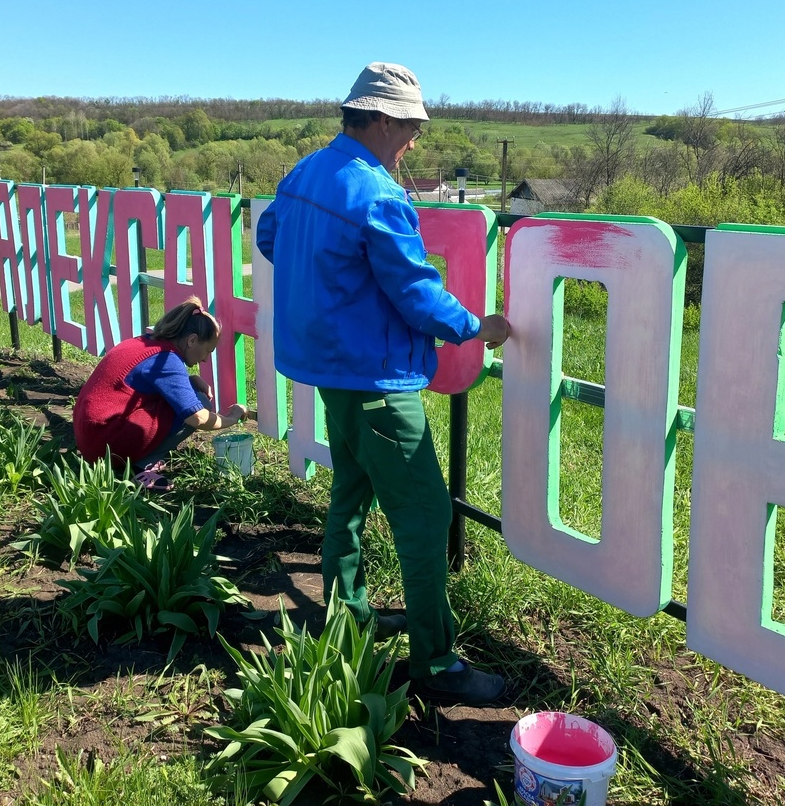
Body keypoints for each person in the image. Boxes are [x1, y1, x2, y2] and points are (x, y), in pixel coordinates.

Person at [255, 61, 512, 705]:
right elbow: (418, 295)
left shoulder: (304, 174)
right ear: (379, 118)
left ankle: (350, 618)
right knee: (425, 519)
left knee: (350, 492)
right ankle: (437, 662)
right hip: (378, 381)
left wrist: (323, 282)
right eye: (410, 125)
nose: (414, 140)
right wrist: (478, 327)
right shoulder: (378, 194)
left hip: (325, 372)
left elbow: (267, 238)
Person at [72, 296, 251, 490]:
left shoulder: (145, 343)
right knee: (200, 403)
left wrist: (189, 381)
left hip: (91, 434)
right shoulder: (166, 360)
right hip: (105, 444)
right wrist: (231, 418)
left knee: (191, 398)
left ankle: (135, 459)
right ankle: (139, 469)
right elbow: (197, 417)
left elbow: (144, 385)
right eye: (208, 350)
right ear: (192, 340)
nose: (206, 359)